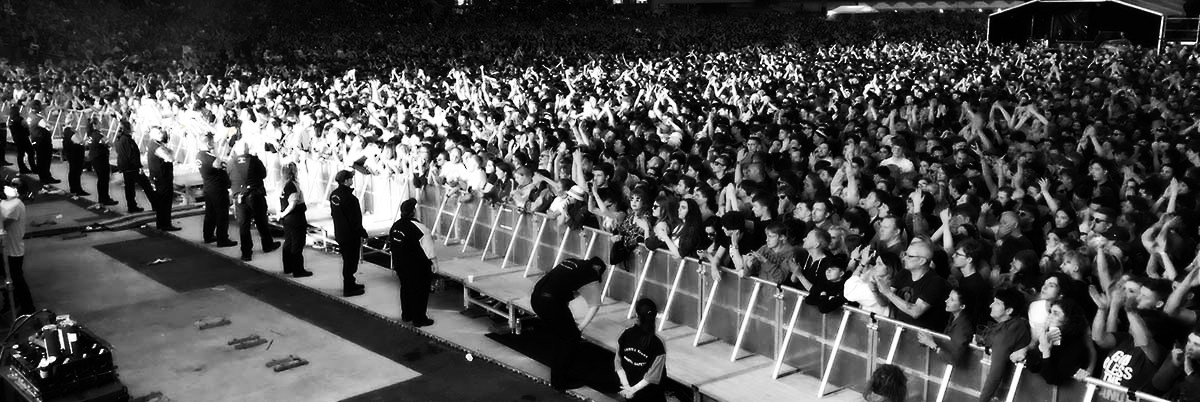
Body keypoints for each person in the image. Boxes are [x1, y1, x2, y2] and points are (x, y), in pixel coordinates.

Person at [531, 256, 605, 390]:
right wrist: (580, 327)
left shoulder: (571, 262)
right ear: (598, 270)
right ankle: (560, 382)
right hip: (550, 303)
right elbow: (595, 305)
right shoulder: (590, 274)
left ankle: (558, 377)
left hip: (537, 298)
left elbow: (562, 287)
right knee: (570, 338)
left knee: (561, 336)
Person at [388, 198, 438, 327]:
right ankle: (419, 318)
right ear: (413, 211)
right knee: (420, 291)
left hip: (400, 264)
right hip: (417, 266)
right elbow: (429, 250)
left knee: (405, 289)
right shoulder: (420, 228)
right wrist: (434, 264)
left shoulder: (395, 226)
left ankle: (407, 314)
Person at [229, 141, 279, 261]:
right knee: (261, 221)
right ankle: (267, 244)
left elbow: (228, 177)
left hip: (239, 197)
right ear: (246, 149)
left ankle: (246, 252)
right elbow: (263, 174)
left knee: (244, 225)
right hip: (255, 194)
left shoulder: (231, 163)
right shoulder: (254, 160)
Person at [615, 298, 667, 402]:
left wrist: (627, 387)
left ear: (636, 315)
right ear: (655, 315)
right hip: (650, 395)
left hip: (630, 392)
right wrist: (632, 390)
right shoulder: (658, 344)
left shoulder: (626, 334)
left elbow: (618, 363)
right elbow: (652, 376)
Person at [330, 169, 367, 296]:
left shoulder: (334, 195)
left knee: (347, 259)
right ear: (346, 181)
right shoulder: (351, 199)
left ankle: (351, 282)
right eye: (350, 178)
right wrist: (363, 233)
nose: (352, 179)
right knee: (351, 261)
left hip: (340, 233)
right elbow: (355, 220)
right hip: (351, 236)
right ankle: (349, 288)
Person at [0, 178, 33, 315]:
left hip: (13, 251)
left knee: (17, 280)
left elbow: (4, 224)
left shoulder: (15, 205)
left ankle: (28, 307)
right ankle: (11, 302)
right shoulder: (6, 202)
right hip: (6, 248)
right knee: (7, 278)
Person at [197, 133, 236, 247]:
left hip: (208, 187)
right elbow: (221, 165)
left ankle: (208, 235)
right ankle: (222, 238)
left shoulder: (199, 155)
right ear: (209, 143)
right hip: (218, 188)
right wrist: (216, 151)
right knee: (221, 214)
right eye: (213, 142)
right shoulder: (211, 158)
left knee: (210, 213)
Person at [276, 162, 311, 278]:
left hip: (287, 218)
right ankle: (298, 270)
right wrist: (283, 214)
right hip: (295, 217)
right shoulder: (293, 185)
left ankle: (288, 267)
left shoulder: (281, 184)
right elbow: (293, 203)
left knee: (289, 242)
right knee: (297, 243)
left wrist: (280, 214)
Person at [113, 122, 156, 213]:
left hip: (125, 167)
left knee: (129, 188)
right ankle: (155, 204)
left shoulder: (118, 139)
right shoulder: (128, 140)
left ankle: (131, 206)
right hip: (132, 167)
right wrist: (139, 166)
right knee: (146, 185)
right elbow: (132, 155)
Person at [145, 127, 180, 231]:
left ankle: (163, 223)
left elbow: (170, 153)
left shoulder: (156, 144)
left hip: (161, 176)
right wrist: (169, 153)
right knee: (165, 201)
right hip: (162, 177)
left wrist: (169, 152)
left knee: (163, 201)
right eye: (159, 133)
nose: (161, 134)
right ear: (153, 134)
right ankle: (165, 224)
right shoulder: (156, 146)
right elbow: (170, 157)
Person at [86, 123, 117, 206]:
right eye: (99, 123)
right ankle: (105, 198)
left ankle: (102, 198)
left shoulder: (91, 134)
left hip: (94, 158)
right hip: (100, 158)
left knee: (101, 179)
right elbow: (109, 143)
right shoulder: (98, 135)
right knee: (104, 179)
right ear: (95, 125)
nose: (101, 125)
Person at [27, 114, 59, 184]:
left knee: (41, 160)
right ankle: (45, 178)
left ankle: (45, 177)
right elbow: (50, 127)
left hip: (37, 141)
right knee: (44, 161)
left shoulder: (31, 117)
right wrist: (45, 120)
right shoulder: (38, 119)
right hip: (42, 143)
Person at [62, 126, 88, 196]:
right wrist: (84, 141)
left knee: (73, 172)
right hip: (76, 157)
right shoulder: (70, 134)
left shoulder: (66, 136)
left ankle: (73, 188)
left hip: (72, 157)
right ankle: (78, 189)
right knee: (76, 173)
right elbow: (81, 142)